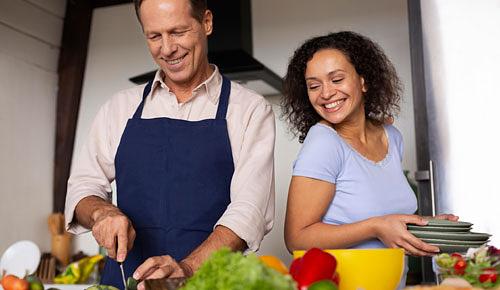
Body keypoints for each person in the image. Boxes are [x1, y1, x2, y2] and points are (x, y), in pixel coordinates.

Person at [64, 0, 275, 288]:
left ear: (207, 23)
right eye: (154, 36)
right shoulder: (119, 108)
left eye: (178, 32)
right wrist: (103, 213)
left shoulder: (249, 110)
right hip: (125, 281)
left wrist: (187, 269)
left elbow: (249, 210)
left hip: (212, 282)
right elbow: (82, 188)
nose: (167, 48)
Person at [282, 31, 457, 287]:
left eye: (337, 79)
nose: (326, 93)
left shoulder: (391, 137)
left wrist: (424, 226)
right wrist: (375, 227)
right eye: (314, 85)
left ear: (363, 81)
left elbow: (386, 219)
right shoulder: (323, 142)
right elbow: (296, 239)